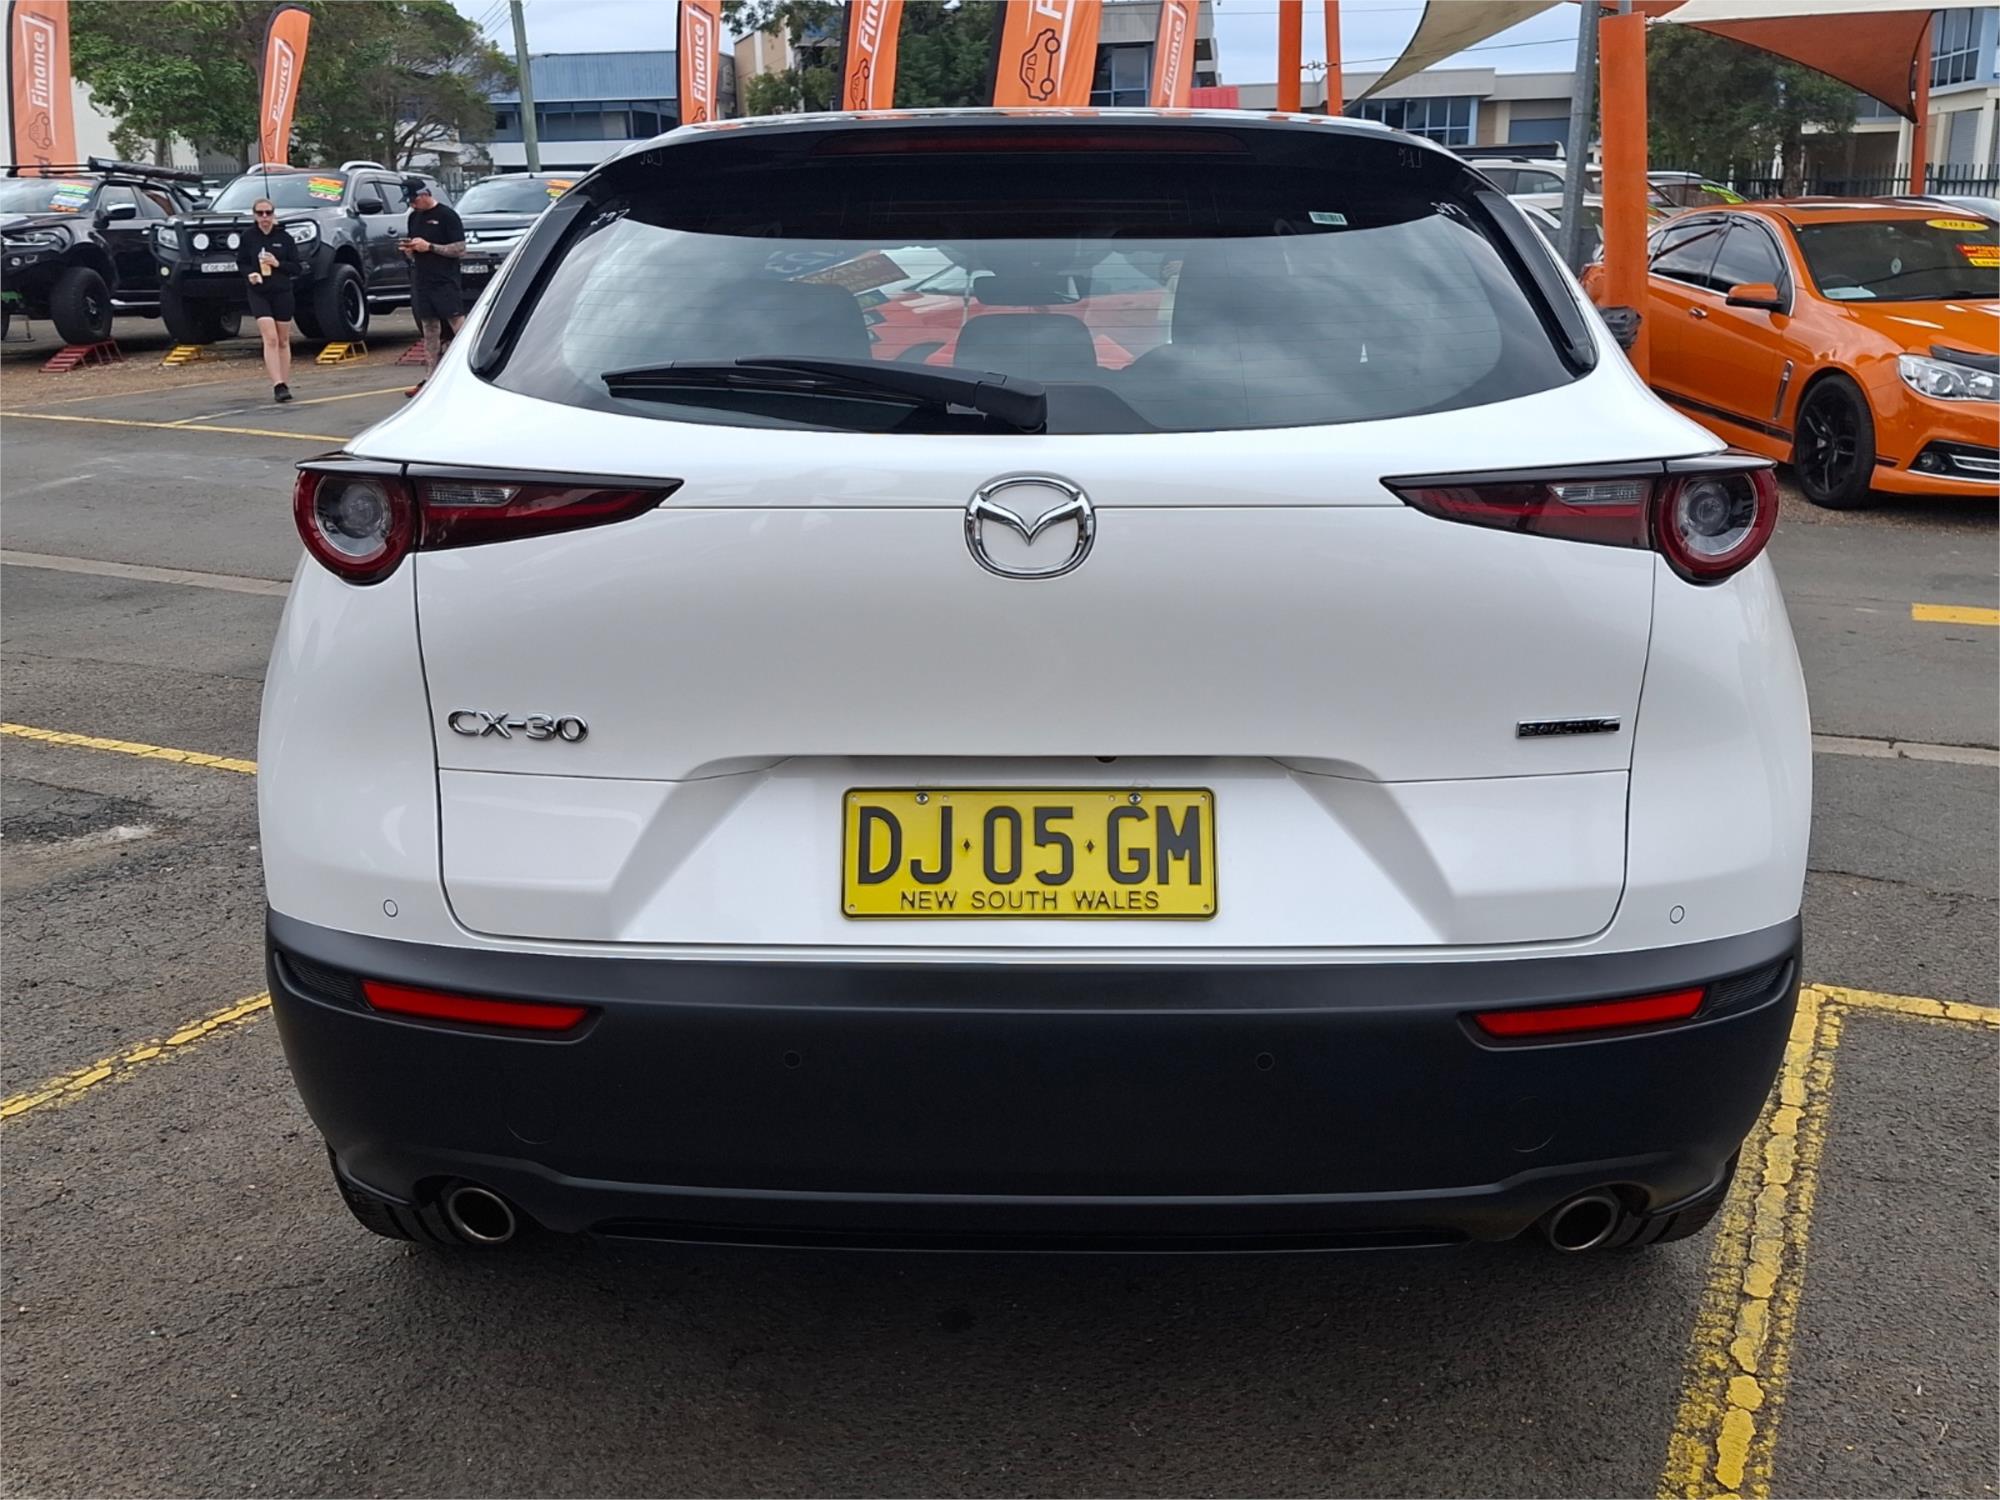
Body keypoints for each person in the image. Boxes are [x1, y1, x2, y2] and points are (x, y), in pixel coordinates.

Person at [398, 178, 466, 398]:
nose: (412, 204)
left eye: (414, 199)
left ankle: (467, 370)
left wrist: (430, 247)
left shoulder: (447, 216)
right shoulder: (414, 217)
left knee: (456, 323)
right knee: (429, 328)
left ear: (424, 194)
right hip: (423, 279)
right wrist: (410, 250)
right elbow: (416, 250)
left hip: (445, 279)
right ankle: (431, 377)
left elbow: (460, 249)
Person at [238, 197, 302, 402]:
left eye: (268, 213)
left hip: (282, 291)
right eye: (260, 213)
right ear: (254, 215)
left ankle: (285, 382)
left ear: (274, 214)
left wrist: (277, 263)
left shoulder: (284, 238)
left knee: (283, 339)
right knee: (270, 337)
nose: (264, 217)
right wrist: (250, 274)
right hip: (259, 291)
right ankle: (277, 384)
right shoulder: (248, 237)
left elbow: (296, 267)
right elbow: (241, 262)